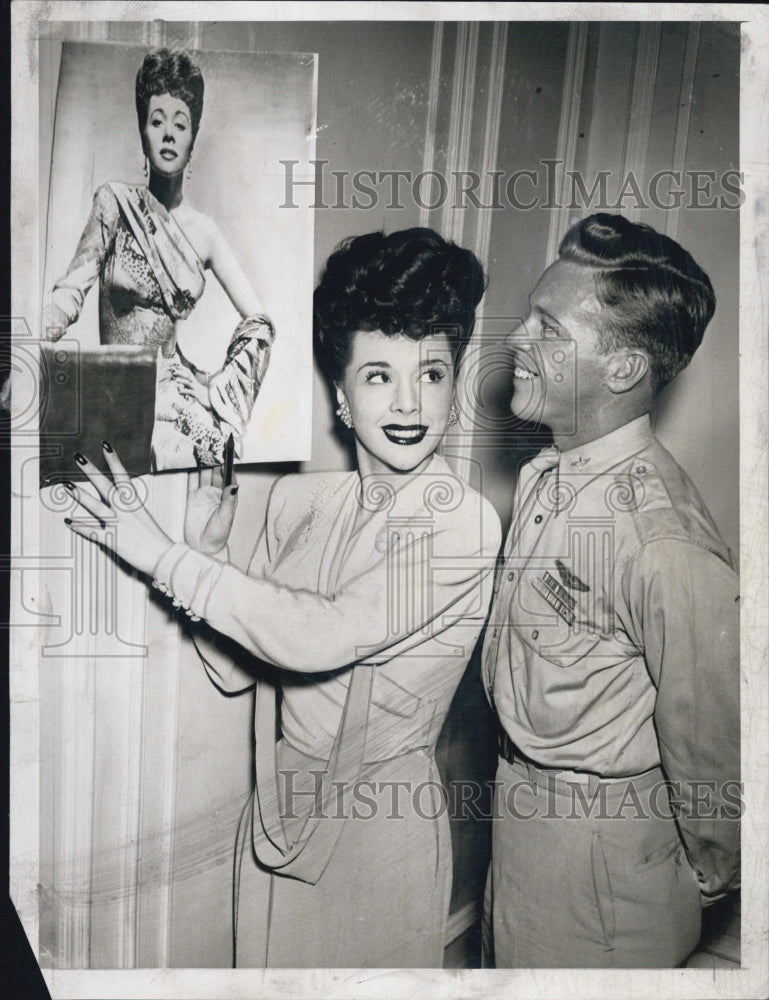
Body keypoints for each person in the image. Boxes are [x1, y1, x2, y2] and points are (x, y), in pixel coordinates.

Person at [62, 228, 502, 968]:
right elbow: (236, 671)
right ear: (338, 392)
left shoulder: (461, 521)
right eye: (377, 376)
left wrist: (161, 556)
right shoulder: (303, 501)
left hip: (378, 823)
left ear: (454, 387)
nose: (406, 402)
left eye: (430, 374)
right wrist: (204, 549)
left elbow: (321, 637)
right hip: (279, 812)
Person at [482, 213, 740, 968]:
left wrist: (691, 879)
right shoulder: (544, 474)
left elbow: (717, 741)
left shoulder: (662, 540)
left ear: (623, 369)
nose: (513, 341)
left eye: (544, 326)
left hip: (599, 856)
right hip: (520, 813)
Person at [44, 47, 274, 468]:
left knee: (217, 457)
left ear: (193, 137)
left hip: (174, 400)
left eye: (180, 124)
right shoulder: (114, 203)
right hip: (114, 393)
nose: (168, 134)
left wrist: (213, 387)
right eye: (157, 121)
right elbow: (69, 293)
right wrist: (29, 349)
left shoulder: (205, 234)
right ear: (143, 132)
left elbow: (260, 323)